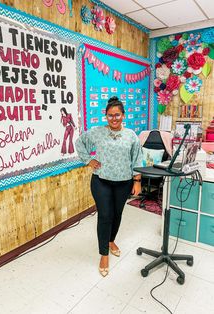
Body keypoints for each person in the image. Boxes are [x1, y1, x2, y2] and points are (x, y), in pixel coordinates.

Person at [75, 96, 142, 277]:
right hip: (101, 181)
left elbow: (137, 158)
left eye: (117, 115)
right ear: (106, 116)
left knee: (117, 214)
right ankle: (104, 253)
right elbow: (79, 143)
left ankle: (111, 240)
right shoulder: (96, 132)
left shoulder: (131, 135)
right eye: (110, 115)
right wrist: (89, 160)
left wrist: (137, 181)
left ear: (123, 115)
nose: (114, 118)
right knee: (105, 216)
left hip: (124, 182)